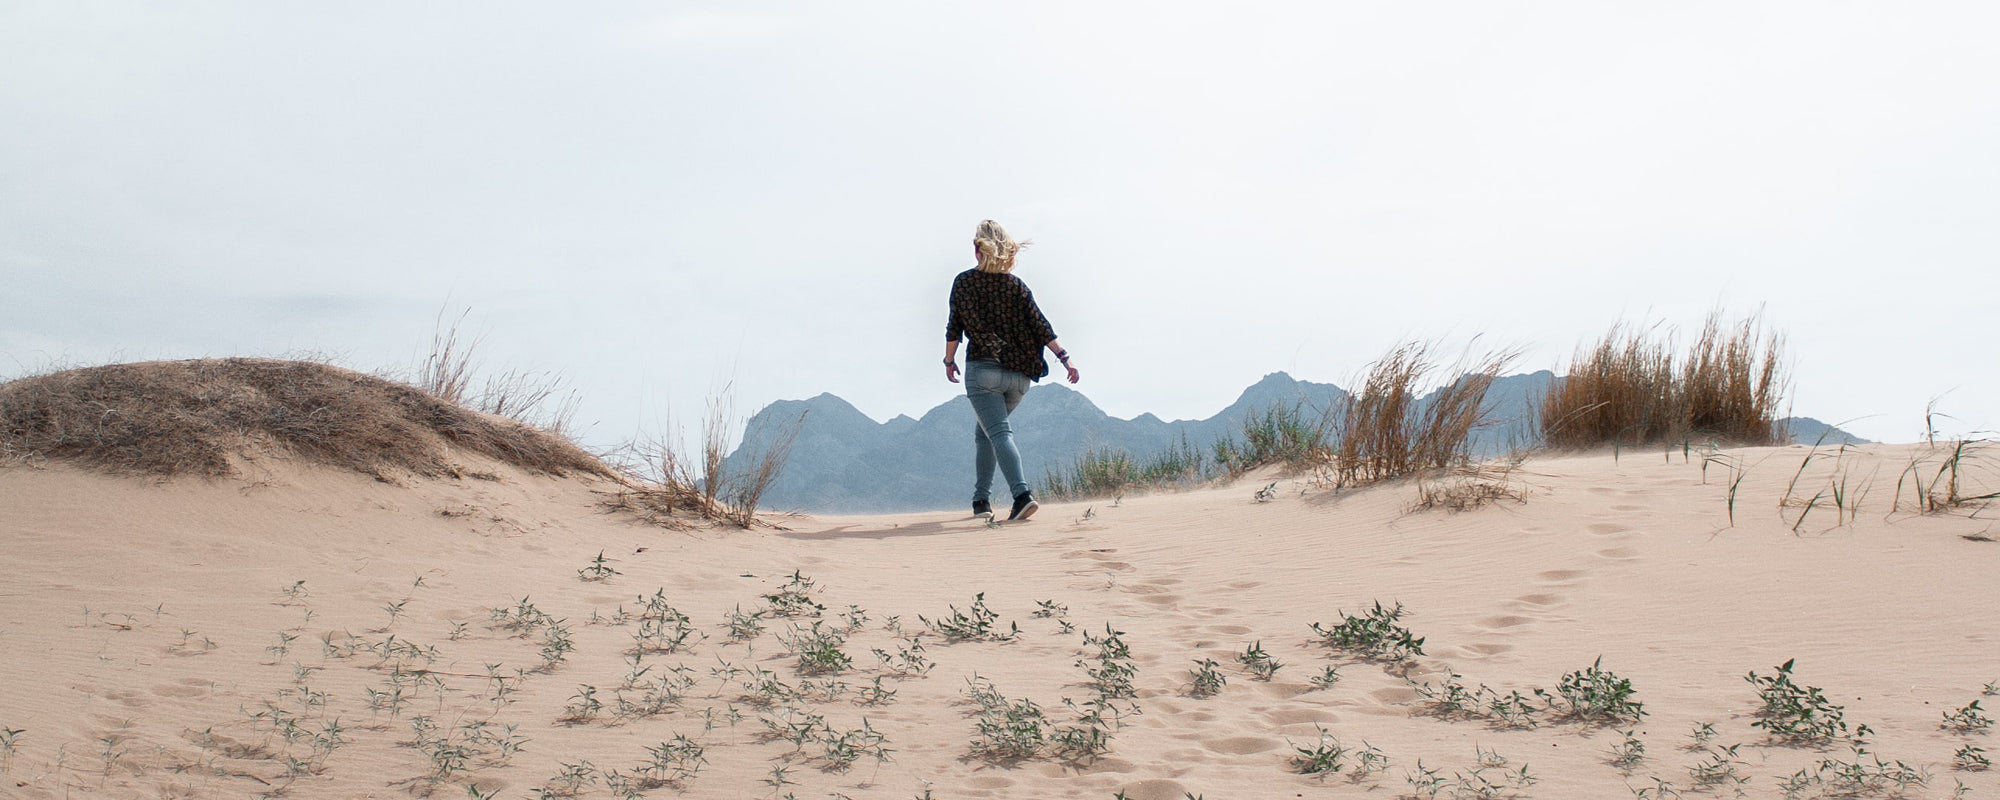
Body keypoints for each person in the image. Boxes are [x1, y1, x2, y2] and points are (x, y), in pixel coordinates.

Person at [943, 220, 1081, 522]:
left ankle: (1022, 495)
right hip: (1019, 378)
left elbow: (954, 327)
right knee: (986, 433)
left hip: (983, 374)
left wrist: (949, 361)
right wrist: (1065, 358)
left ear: (980, 248)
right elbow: (1041, 325)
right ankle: (981, 500)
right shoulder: (1016, 286)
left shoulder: (964, 282)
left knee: (999, 433)